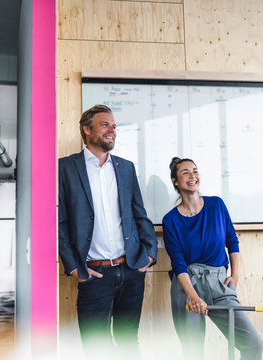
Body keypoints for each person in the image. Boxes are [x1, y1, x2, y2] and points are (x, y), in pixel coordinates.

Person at [58, 104, 157, 357]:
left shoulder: (126, 167)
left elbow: (140, 214)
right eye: (105, 125)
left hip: (131, 270)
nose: (112, 130)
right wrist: (73, 267)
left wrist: (149, 254)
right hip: (94, 275)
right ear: (87, 130)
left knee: (127, 345)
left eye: (114, 126)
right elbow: (60, 222)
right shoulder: (66, 168)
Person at [162, 157, 263, 360]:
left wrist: (234, 277)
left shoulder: (216, 205)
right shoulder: (170, 220)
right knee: (193, 353)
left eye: (195, 171)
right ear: (175, 181)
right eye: (185, 172)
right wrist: (192, 296)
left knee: (253, 343)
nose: (192, 176)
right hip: (187, 286)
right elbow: (178, 263)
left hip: (219, 282)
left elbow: (232, 241)